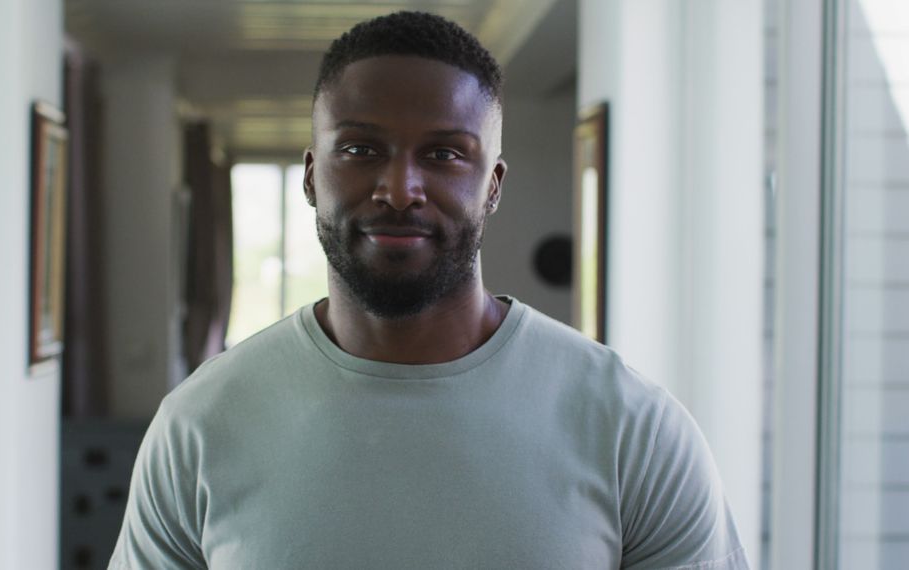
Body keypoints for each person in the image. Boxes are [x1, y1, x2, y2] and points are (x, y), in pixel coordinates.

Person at [109, 11, 748, 570]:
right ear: (312, 175)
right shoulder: (199, 425)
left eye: (443, 155)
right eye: (361, 148)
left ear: (493, 185)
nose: (399, 188)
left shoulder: (634, 431)